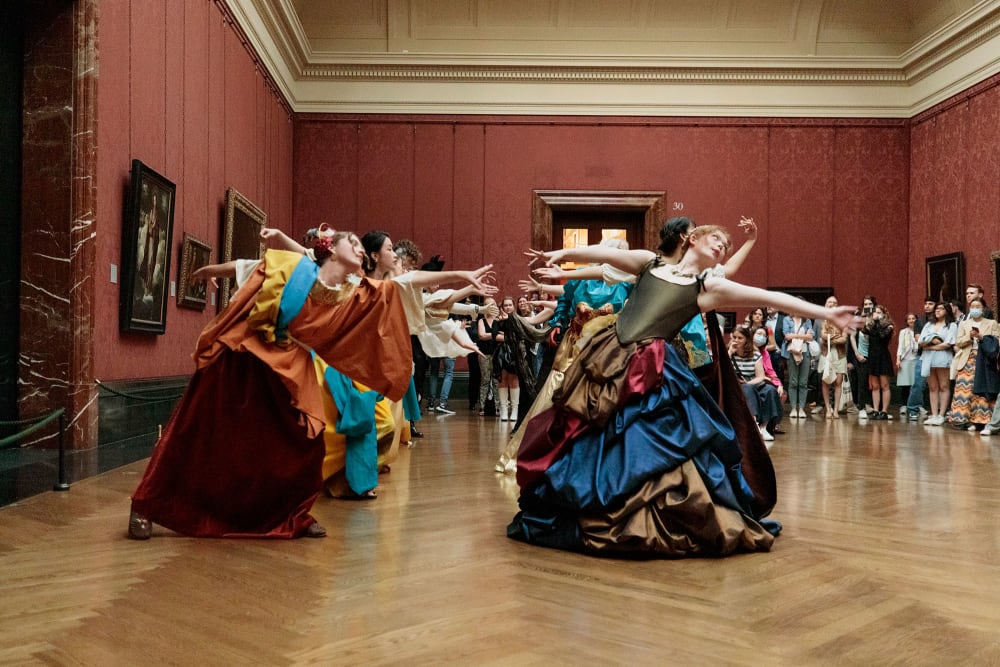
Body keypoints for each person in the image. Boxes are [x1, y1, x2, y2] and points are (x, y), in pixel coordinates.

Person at [506, 225, 860, 558]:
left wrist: (824, 314)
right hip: (609, 353)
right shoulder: (649, 262)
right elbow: (605, 257)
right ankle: (582, 503)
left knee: (655, 440)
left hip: (650, 367)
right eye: (716, 238)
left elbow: (769, 297)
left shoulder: (708, 289)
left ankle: (659, 514)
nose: (721, 245)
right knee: (589, 429)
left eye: (725, 245)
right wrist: (557, 254)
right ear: (692, 238)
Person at [128, 228, 415, 539]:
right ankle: (145, 505)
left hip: (289, 371)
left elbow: (405, 284)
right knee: (197, 434)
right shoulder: (295, 267)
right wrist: (210, 269)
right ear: (331, 248)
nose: (360, 250)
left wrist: (461, 276)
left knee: (303, 445)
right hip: (242, 362)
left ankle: (291, 513)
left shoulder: (351, 291)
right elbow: (246, 266)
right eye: (354, 243)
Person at [946, 297, 998, 430]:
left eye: (978, 306)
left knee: (981, 390)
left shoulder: (992, 323)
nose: (975, 309)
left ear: (983, 308)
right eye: (972, 306)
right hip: (967, 359)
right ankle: (963, 419)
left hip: (984, 360)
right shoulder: (964, 324)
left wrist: (982, 337)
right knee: (965, 390)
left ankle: (981, 420)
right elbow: (958, 342)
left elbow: (996, 341)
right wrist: (969, 337)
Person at [729, 326, 782, 441]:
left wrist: (748, 382)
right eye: (734, 337)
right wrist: (729, 352)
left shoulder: (755, 355)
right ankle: (755, 425)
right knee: (747, 389)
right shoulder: (729, 354)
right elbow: (722, 371)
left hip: (753, 383)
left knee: (770, 390)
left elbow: (760, 377)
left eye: (740, 338)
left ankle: (764, 427)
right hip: (735, 386)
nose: (736, 340)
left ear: (746, 339)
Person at [918, 302, 957, 426]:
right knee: (933, 387)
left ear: (947, 311)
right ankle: (934, 414)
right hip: (928, 359)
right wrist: (930, 342)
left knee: (944, 386)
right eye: (937, 309)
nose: (938, 311)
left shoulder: (951, 325)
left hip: (943, 357)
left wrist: (929, 347)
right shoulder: (929, 324)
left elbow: (948, 343)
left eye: (941, 308)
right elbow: (920, 341)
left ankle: (941, 414)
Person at [816, 295, 848, 418]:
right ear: (825, 304)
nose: (832, 303)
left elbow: (844, 339)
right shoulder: (823, 320)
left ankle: (835, 410)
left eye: (835, 302)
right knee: (825, 381)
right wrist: (835, 336)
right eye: (830, 301)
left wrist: (830, 338)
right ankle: (828, 409)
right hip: (826, 354)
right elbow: (823, 335)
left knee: (838, 382)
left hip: (839, 355)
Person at [862, 304, 895, 419]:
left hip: (883, 357)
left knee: (884, 385)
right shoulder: (871, 326)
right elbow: (864, 331)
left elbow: (882, 336)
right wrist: (866, 317)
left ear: (884, 314)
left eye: (878, 312)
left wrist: (878, 321)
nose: (875, 314)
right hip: (873, 357)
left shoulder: (888, 326)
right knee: (875, 385)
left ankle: (884, 411)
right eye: (874, 312)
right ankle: (875, 410)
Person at [895, 313, 919, 411]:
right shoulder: (903, 332)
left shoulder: (920, 331)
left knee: (916, 384)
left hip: (916, 359)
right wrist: (898, 359)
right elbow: (900, 346)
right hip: (905, 360)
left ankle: (916, 405)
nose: (911, 320)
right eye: (909, 319)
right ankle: (904, 405)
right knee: (905, 384)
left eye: (913, 318)